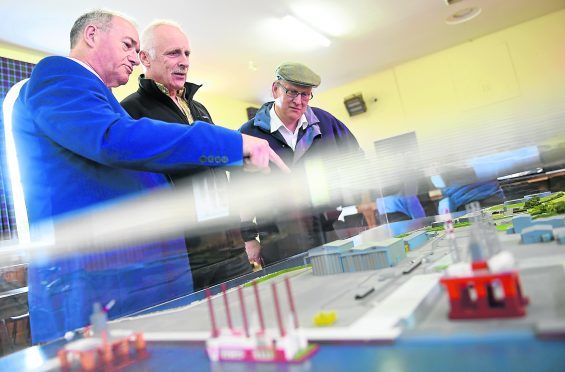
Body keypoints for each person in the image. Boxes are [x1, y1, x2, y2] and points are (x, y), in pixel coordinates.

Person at [6, 9, 286, 343]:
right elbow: (114, 140)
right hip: (95, 275)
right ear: (92, 35)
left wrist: (236, 159)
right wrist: (233, 141)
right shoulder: (58, 76)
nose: (134, 58)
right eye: (127, 45)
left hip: (134, 271)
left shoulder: (101, 98)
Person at [121, 20, 252, 290]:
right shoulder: (129, 112)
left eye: (187, 53)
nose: (184, 62)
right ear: (144, 57)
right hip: (186, 259)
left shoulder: (200, 108)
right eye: (173, 53)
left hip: (232, 247)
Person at [238, 62, 364, 265]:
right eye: (292, 92)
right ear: (275, 89)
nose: (299, 101)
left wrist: (350, 212)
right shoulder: (249, 133)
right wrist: (249, 239)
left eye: (306, 94)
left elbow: (356, 161)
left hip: (329, 232)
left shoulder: (325, 122)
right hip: (278, 240)